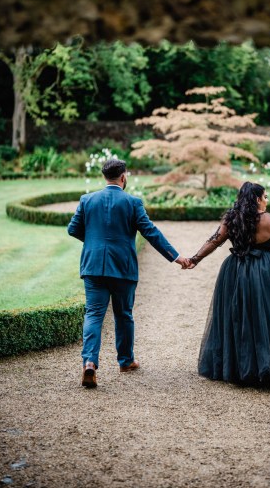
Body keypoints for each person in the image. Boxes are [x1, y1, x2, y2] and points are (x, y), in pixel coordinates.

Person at [185, 181, 270, 387]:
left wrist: (194, 259)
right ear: (257, 199)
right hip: (267, 271)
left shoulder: (231, 219)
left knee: (238, 317)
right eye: (265, 197)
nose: (267, 200)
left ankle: (239, 367)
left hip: (236, 270)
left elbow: (214, 241)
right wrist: (267, 253)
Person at [68, 158, 187, 388]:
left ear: (105, 177)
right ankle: (125, 361)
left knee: (93, 314)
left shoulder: (87, 199)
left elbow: (72, 229)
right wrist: (176, 256)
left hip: (93, 266)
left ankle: (90, 363)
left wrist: (94, 242)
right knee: (124, 314)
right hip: (122, 267)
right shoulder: (133, 202)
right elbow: (151, 233)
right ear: (123, 177)